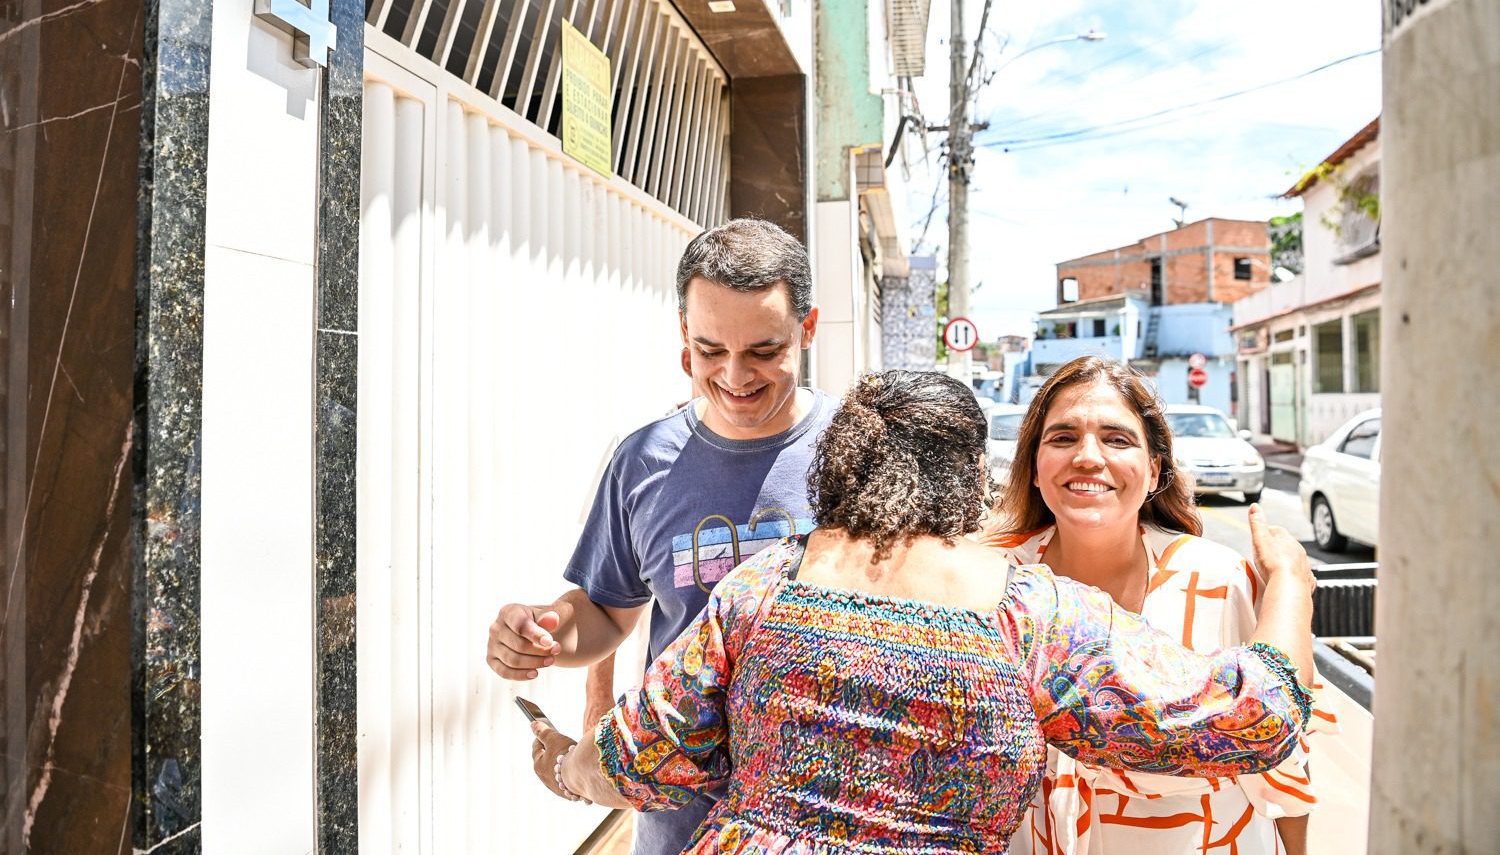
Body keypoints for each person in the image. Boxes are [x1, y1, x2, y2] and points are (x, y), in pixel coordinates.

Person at [530, 371, 1317, 853]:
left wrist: (562, 765)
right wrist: (1290, 586)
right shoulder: (1029, 613)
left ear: (837, 464)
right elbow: (1254, 721)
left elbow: (636, 757)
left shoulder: (762, 585)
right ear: (973, 472)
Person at [486, 218, 836, 855]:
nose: (736, 375)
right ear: (683, 334)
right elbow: (605, 614)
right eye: (710, 351)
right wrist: (541, 633)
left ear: (807, 328)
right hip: (679, 825)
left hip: (828, 821)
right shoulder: (643, 461)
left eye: (764, 350)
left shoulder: (859, 451)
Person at [982, 355, 1331, 855]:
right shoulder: (989, 585)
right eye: (1062, 438)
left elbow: (1286, 750)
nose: (1087, 456)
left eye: (1116, 439)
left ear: (1153, 471)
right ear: (1035, 469)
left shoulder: (1219, 580)